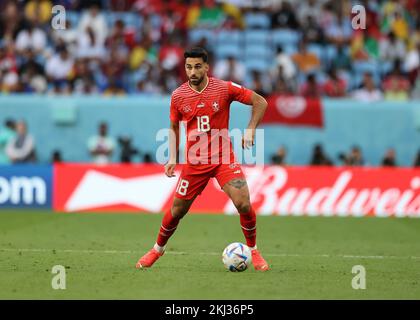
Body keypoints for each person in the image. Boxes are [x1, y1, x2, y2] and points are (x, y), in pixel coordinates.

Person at [136, 47, 270, 271]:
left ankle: (254, 251)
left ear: (206, 67)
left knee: (243, 203)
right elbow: (173, 127)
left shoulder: (224, 88)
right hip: (194, 161)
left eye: (198, 66)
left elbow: (261, 102)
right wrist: (172, 157)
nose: (193, 71)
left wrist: (251, 129)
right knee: (177, 210)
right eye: (189, 67)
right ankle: (156, 250)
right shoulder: (178, 95)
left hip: (223, 157)